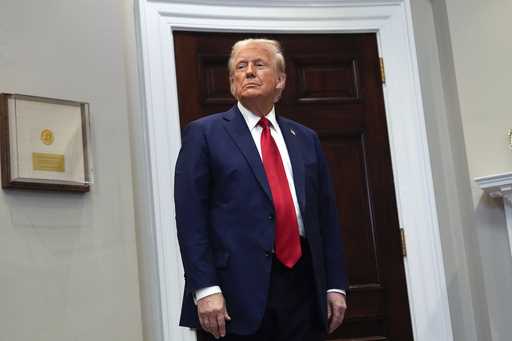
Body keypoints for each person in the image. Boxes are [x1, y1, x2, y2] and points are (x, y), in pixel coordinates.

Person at [174, 38, 348, 340]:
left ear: (280, 81)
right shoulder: (204, 134)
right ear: (231, 83)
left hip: (304, 286)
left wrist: (335, 284)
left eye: (259, 65)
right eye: (241, 67)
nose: (249, 72)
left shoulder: (305, 138)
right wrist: (205, 288)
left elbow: (326, 217)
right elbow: (191, 220)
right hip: (234, 293)